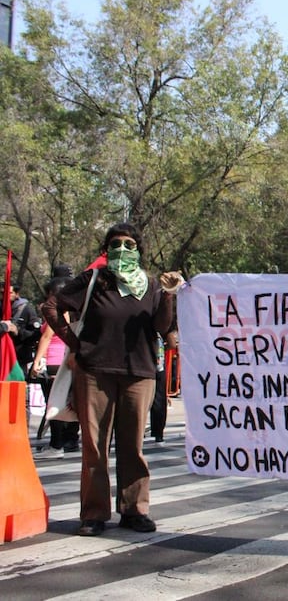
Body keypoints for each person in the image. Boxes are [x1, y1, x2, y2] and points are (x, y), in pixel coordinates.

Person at [42, 223, 183, 537]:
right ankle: (93, 514)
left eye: (129, 244)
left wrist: (170, 296)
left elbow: (162, 327)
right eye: (116, 243)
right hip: (95, 372)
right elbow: (52, 306)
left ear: (138, 250)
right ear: (106, 249)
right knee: (95, 447)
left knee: (133, 446)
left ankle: (134, 510)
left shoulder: (152, 285)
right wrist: (75, 345)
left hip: (140, 373)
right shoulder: (92, 280)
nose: (122, 248)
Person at [31, 274, 81, 458]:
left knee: (54, 404)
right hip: (66, 359)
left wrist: (37, 360)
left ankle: (56, 444)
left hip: (54, 361)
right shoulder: (74, 311)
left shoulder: (57, 311)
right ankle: (71, 439)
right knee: (68, 403)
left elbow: (46, 337)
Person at [0, 283, 43, 372]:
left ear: (16, 294)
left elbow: (35, 334)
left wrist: (17, 331)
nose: (5, 296)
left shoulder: (27, 310)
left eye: (9, 293)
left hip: (19, 357)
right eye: (3, 293)